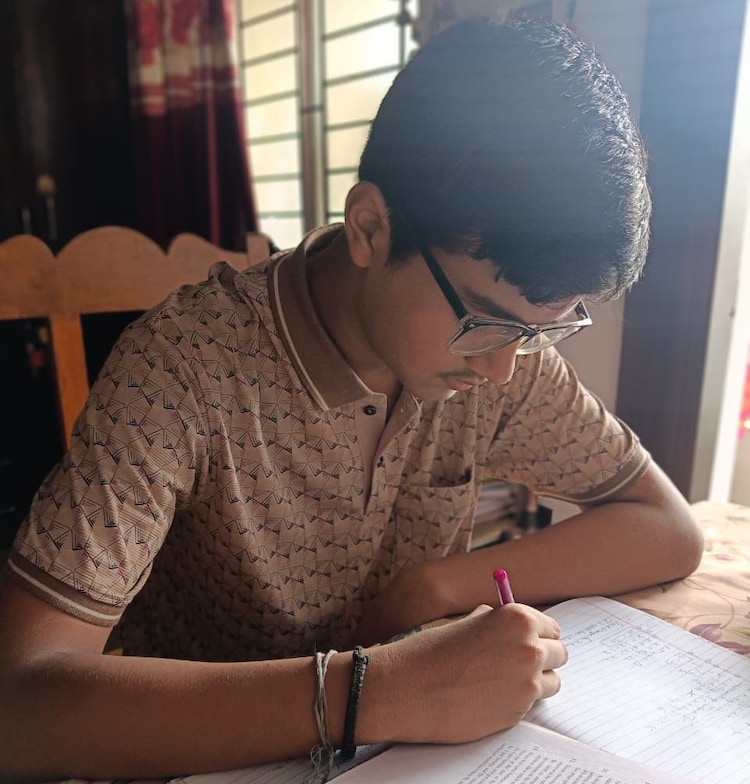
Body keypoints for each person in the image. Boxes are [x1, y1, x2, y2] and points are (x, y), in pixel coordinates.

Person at [0, 17, 703, 782]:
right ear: (370, 227)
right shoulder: (183, 367)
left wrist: (436, 585)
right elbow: (20, 708)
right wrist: (376, 689)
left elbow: (666, 529)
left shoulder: (503, 353)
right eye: (485, 321)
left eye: (543, 331)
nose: (505, 369)